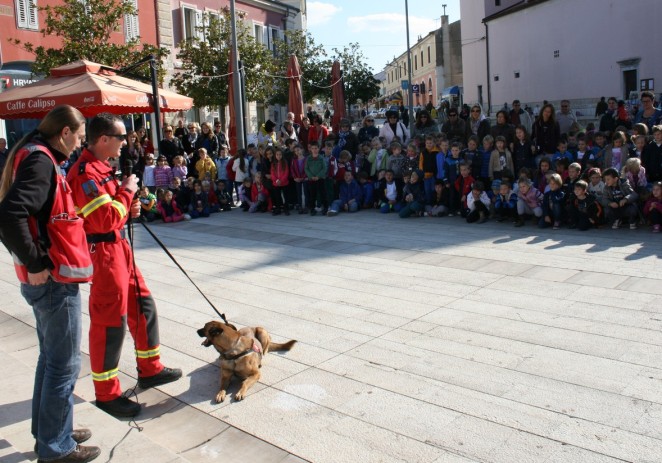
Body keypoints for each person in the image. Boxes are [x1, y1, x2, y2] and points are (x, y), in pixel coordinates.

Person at [0, 105, 100, 463]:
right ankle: (56, 447)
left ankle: (52, 429)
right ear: (64, 133)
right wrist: (37, 262)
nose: (78, 146)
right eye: (79, 138)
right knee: (63, 364)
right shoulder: (41, 161)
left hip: (46, 278)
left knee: (51, 358)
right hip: (53, 279)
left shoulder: (30, 153)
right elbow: (9, 215)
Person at [66, 113, 182, 419]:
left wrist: (129, 201)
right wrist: (128, 189)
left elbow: (114, 210)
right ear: (104, 139)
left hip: (119, 247)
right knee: (109, 323)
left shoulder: (103, 168)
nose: (126, 143)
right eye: (121, 138)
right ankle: (107, 394)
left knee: (144, 305)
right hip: (103, 252)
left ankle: (150, 368)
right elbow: (103, 219)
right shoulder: (84, 173)